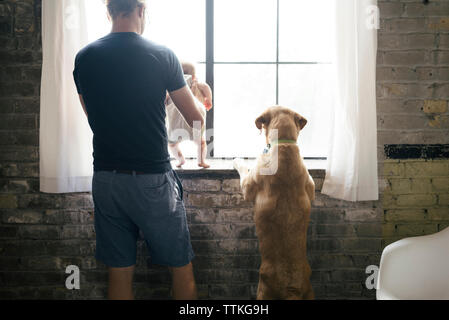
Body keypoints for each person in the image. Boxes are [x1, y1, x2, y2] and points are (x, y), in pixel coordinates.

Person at [72, 0, 201, 300]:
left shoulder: (84, 57)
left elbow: (95, 118)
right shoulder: (163, 54)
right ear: (142, 11)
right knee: (181, 269)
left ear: (109, 12)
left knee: (119, 274)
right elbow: (196, 122)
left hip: (106, 179)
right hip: (152, 180)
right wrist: (196, 99)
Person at [166, 62, 213, 169]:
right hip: (195, 123)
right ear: (194, 75)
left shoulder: (171, 88)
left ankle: (180, 159)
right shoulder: (196, 84)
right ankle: (201, 161)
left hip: (175, 125)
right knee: (201, 143)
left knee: (172, 144)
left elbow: (164, 99)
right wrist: (208, 99)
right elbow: (206, 87)